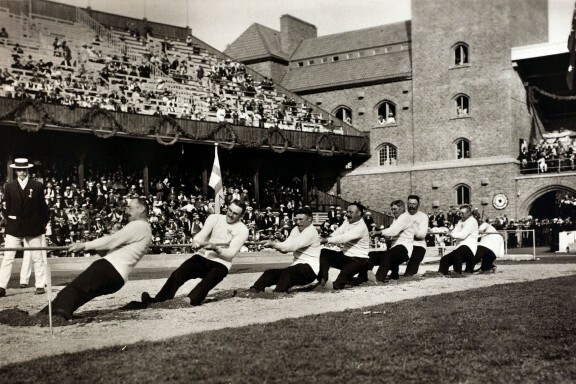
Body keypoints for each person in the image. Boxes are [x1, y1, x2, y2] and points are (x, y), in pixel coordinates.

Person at [39, 198, 152, 319]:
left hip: (110, 268)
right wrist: (100, 243)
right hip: (117, 277)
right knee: (79, 293)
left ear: (141, 209)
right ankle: (48, 314)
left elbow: (111, 241)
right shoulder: (144, 229)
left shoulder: (139, 225)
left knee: (74, 289)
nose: (126, 211)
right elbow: (107, 250)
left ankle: (53, 315)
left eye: (130, 208)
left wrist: (84, 245)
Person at [141, 200, 249, 306]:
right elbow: (201, 235)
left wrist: (215, 248)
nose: (230, 215)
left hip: (222, 262)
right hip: (203, 256)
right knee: (178, 273)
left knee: (209, 280)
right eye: (229, 210)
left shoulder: (243, 229)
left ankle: (190, 300)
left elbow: (230, 253)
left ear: (241, 216)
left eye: (235, 213)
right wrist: (196, 241)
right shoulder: (214, 218)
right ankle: (159, 300)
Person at [0, 158, 50, 298]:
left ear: (28, 170)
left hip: (33, 227)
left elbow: (43, 208)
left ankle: (40, 285)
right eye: (19, 170)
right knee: (8, 257)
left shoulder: (37, 186)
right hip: (14, 227)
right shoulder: (9, 186)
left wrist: (41, 224)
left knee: (37, 256)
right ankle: (1, 286)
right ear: (16, 171)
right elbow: (6, 208)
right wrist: (11, 220)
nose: (22, 172)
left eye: (24, 170)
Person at [250, 207, 321, 293]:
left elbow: (292, 247)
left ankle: (277, 293)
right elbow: (285, 249)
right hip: (296, 267)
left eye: (301, 220)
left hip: (310, 270)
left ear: (309, 219)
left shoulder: (311, 231)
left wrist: (274, 244)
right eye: (296, 220)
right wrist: (274, 244)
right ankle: (254, 289)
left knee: (288, 272)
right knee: (269, 273)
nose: (298, 222)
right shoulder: (296, 229)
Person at [317, 202, 370, 290]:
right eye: (347, 212)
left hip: (359, 260)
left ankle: (361, 277)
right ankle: (323, 279)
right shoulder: (347, 221)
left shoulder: (361, 227)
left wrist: (326, 240)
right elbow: (339, 232)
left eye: (351, 212)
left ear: (359, 213)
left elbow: (344, 238)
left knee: (337, 285)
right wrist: (329, 238)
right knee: (324, 252)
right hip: (346, 257)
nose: (348, 214)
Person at [367, 200, 415, 283]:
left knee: (388, 255)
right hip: (396, 248)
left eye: (395, 209)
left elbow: (393, 231)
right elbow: (392, 234)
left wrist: (379, 232)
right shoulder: (396, 219)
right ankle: (363, 277)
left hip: (405, 248)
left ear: (402, 208)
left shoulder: (405, 217)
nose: (393, 211)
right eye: (392, 209)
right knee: (371, 255)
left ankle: (379, 279)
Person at [438, 204, 478, 276]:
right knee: (444, 259)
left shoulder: (472, 221)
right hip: (460, 247)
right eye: (460, 213)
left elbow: (463, 235)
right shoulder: (460, 221)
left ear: (469, 213)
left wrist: (451, 234)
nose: (461, 215)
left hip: (469, 248)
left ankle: (457, 272)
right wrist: (450, 233)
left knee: (458, 253)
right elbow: (454, 231)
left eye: (463, 213)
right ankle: (441, 273)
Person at [404, 195, 430, 276]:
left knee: (415, 258)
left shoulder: (423, 216)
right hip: (404, 243)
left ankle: (409, 274)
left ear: (418, 205)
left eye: (414, 204)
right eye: (409, 204)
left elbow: (421, 235)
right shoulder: (402, 215)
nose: (411, 206)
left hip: (418, 244)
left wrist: (407, 230)